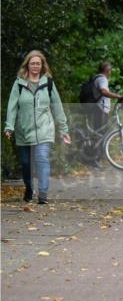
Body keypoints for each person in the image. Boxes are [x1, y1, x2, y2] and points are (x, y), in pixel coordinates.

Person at [4, 50, 72, 205]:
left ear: (42, 66)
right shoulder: (19, 84)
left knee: (42, 159)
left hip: (44, 129)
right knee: (26, 163)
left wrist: (64, 130)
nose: (35, 66)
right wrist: (9, 126)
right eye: (32, 63)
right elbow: (12, 107)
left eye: (38, 63)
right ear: (27, 65)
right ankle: (29, 188)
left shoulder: (48, 83)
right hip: (24, 130)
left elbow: (57, 107)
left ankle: (42, 194)